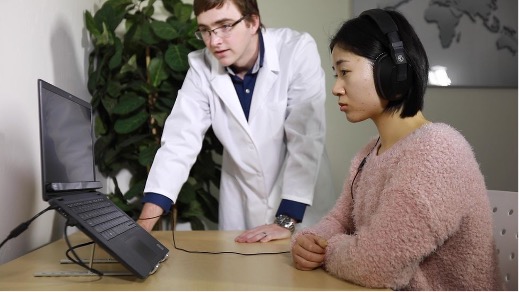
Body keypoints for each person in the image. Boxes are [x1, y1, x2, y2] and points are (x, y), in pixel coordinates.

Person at [290, 8, 502, 290]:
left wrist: (327, 248)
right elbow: (338, 221)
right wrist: (307, 242)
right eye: (335, 74)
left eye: (345, 72)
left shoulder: (438, 151)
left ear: (393, 72)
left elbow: (375, 266)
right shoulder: (368, 153)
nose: (336, 88)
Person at [137, 0, 337, 243]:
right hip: (242, 200)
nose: (214, 41)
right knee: (241, 277)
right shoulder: (201, 68)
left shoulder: (295, 50)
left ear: (252, 22)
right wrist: (143, 225)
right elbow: (179, 142)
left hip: (301, 202)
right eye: (205, 30)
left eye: (224, 26)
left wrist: (287, 217)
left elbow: (305, 137)